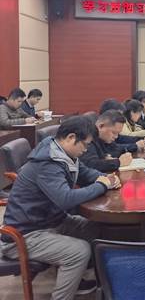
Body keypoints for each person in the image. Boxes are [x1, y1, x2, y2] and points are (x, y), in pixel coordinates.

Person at [0, 116, 121, 299]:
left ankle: (78, 281)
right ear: (71, 137)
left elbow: (86, 174)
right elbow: (66, 199)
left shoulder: (64, 154)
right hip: (24, 235)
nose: (86, 149)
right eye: (85, 144)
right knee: (78, 251)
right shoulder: (47, 163)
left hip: (50, 222)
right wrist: (102, 186)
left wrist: (106, 179)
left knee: (96, 229)